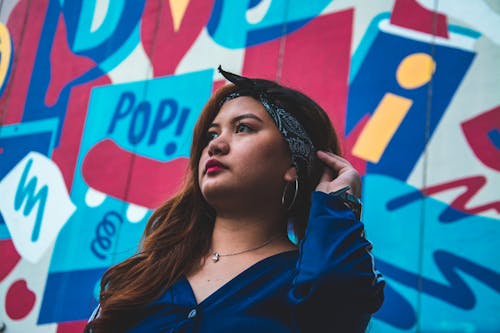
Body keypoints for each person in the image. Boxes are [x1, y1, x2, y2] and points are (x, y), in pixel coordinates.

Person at [85, 66, 385, 333]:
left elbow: (337, 301)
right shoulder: (141, 278)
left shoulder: (308, 279)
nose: (216, 144)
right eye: (211, 134)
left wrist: (336, 206)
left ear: (293, 163)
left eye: (243, 128)